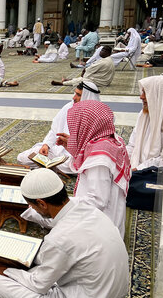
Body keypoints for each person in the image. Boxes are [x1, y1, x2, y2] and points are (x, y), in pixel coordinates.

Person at [0, 168, 128, 298]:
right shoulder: (91, 211)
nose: (34, 210)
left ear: (42, 203)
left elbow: (39, 285)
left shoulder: (59, 239)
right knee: (38, 265)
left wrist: (4, 271)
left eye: (32, 206)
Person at [53, 100, 130, 237]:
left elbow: (97, 200)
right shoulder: (110, 139)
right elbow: (86, 154)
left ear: (86, 125)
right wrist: (72, 145)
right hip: (106, 218)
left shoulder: (99, 158)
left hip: (99, 228)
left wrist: (62, 206)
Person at [17, 81, 100, 174]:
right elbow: (54, 131)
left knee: (80, 166)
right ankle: (52, 166)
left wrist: (71, 144)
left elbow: (93, 146)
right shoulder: (69, 107)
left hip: (76, 156)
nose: (74, 97)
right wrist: (46, 145)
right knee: (22, 158)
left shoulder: (97, 116)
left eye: (78, 95)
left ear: (87, 97)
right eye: (75, 93)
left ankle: (51, 166)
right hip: (56, 151)